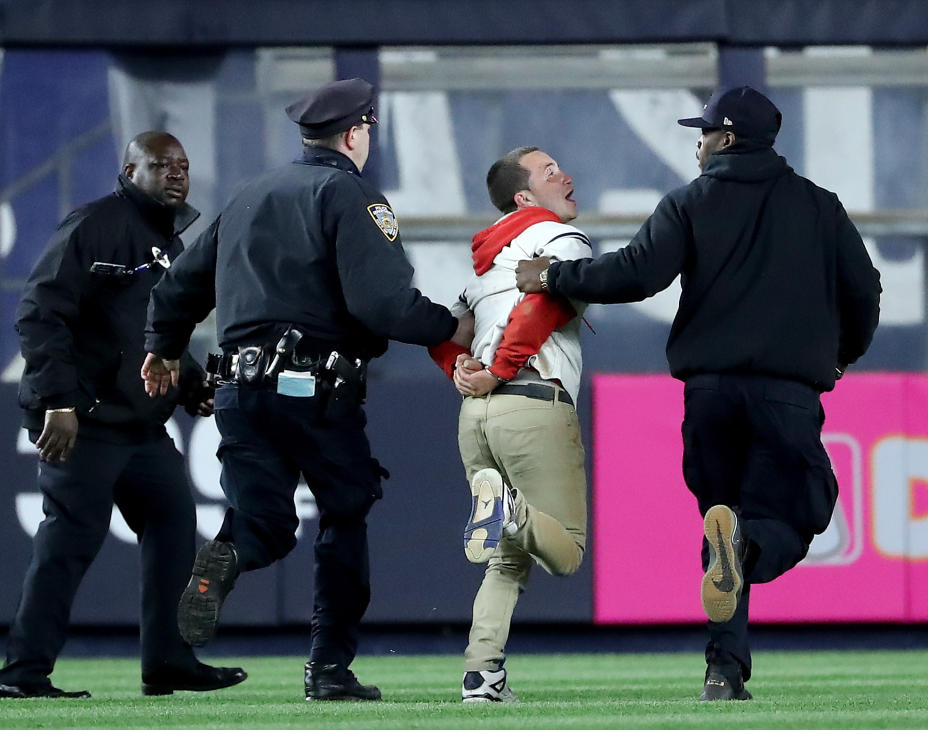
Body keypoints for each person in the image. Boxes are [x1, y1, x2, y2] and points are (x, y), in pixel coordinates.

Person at [516, 86, 882, 701]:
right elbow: (864, 290)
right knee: (804, 509)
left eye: (706, 130)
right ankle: (746, 551)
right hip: (786, 394)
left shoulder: (690, 202)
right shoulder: (820, 207)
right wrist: (842, 354)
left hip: (709, 395)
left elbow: (634, 273)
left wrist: (555, 275)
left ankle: (724, 671)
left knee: (723, 522)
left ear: (729, 139)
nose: (699, 140)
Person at [141, 78, 464, 702]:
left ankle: (228, 557)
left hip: (237, 388)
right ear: (354, 133)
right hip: (316, 389)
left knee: (262, 521)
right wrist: (452, 325)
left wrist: (163, 347)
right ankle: (328, 670)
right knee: (344, 513)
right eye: (368, 129)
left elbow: (177, 287)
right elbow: (383, 305)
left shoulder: (248, 195)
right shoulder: (350, 195)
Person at [0, 132, 247, 699]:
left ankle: (169, 662)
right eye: (161, 165)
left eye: (182, 165)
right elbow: (39, 313)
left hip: (140, 427)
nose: (176, 174)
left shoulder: (168, 242)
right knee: (68, 543)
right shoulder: (93, 224)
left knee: (175, 525)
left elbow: (151, 334)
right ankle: (22, 674)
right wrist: (57, 402)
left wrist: (190, 383)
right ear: (130, 170)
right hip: (83, 420)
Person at [429, 147, 591, 702]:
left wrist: (460, 366)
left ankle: (482, 676)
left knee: (506, 557)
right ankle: (510, 508)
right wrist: (497, 369)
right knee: (566, 551)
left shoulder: (481, 260)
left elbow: (444, 329)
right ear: (524, 198)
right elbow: (540, 307)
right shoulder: (557, 239)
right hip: (529, 399)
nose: (566, 176)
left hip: (474, 417)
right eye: (550, 172)